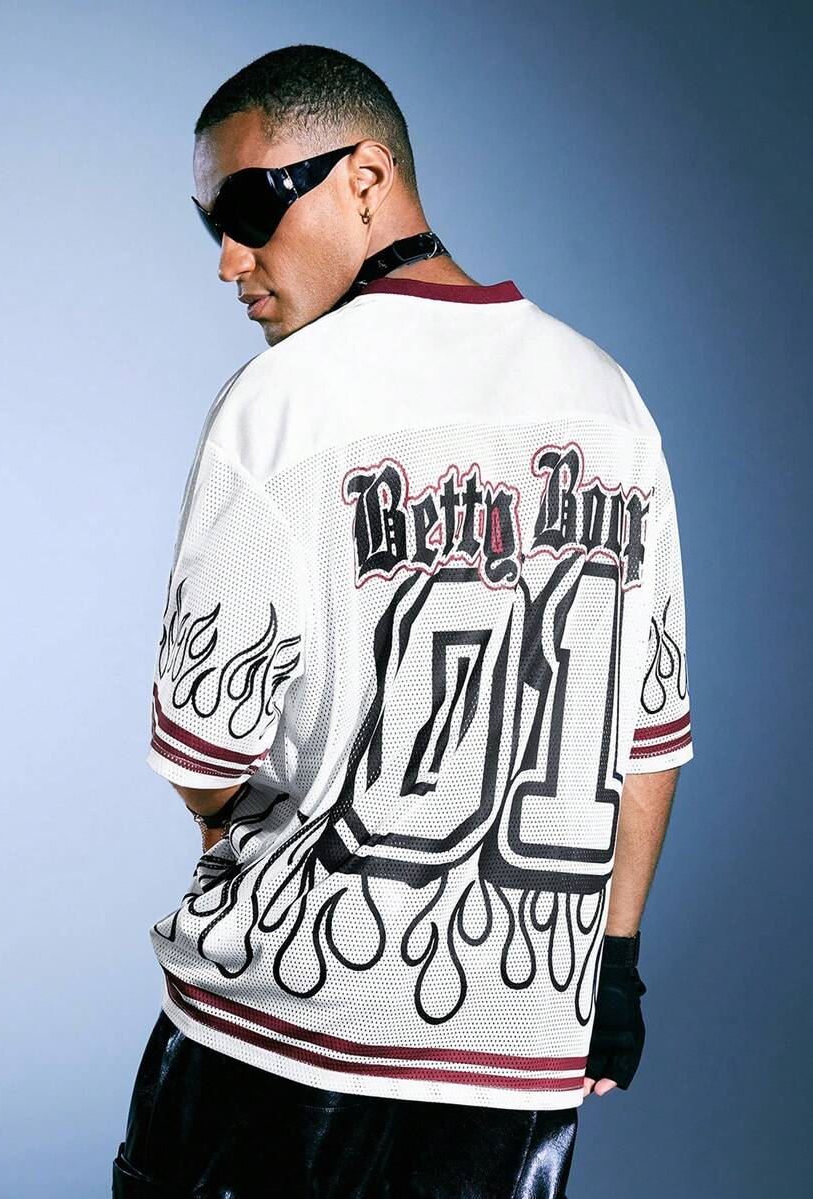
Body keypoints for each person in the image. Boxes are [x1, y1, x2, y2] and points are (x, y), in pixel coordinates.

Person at [112, 42, 694, 1199]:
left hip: (274, 1043)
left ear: (367, 175)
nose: (229, 259)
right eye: (209, 225)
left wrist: (244, 829)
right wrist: (615, 962)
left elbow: (202, 751)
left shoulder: (283, 402)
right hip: (514, 1060)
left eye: (249, 210)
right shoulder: (611, 404)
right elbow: (648, 731)